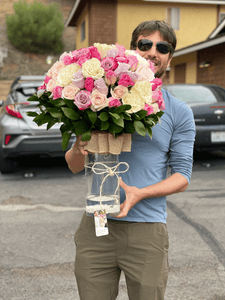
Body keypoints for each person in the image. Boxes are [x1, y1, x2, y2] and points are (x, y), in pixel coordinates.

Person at [65, 20, 195, 300]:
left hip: (146, 231)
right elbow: (74, 165)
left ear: (170, 58)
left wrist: (140, 193)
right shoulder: (100, 98)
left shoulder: (179, 112)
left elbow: (183, 176)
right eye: (145, 44)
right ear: (132, 51)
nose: (153, 52)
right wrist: (79, 147)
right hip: (97, 226)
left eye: (163, 47)